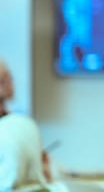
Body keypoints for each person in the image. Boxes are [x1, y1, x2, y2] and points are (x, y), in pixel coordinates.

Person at [0, 59, 57, 191]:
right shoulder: (24, 124)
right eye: (3, 80)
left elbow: (44, 171)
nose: (9, 83)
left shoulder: (19, 125)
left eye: (8, 78)